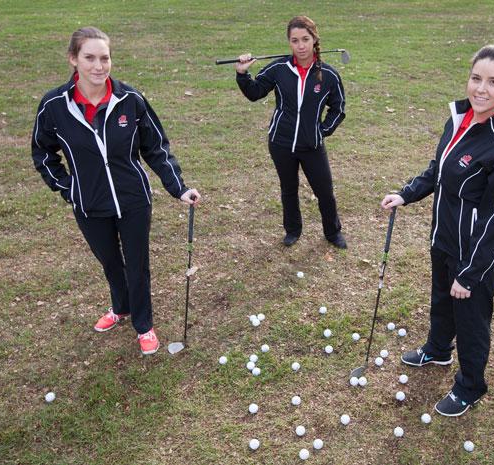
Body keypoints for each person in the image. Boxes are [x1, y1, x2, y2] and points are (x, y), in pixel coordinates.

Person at [381, 44, 494, 416]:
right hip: (444, 236)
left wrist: (470, 274)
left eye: (493, 82)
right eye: (476, 78)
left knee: (471, 322)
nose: (481, 89)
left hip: (476, 256)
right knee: (440, 300)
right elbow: (439, 168)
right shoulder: (459, 117)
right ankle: (436, 350)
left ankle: (470, 386)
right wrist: (406, 193)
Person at [31, 27, 201, 355]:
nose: (99, 66)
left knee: (136, 265)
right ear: (73, 60)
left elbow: (156, 148)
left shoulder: (130, 100)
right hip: (89, 204)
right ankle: (120, 307)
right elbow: (43, 152)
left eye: (104, 58)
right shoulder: (54, 106)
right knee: (110, 261)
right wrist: (68, 187)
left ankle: (143, 324)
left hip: (133, 199)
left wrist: (178, 187)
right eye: (90, 58)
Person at [234, 16, 347, 248]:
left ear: (314, 39)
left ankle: (332, 232)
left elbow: (339, 108)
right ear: (289, 43)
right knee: (289, 189)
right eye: (295, 40)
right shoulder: (279, 68)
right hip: (281, 142)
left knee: (324, 191)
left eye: (305, 39)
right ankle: (293, 230)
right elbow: (255, 93)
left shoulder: (328, 75)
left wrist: (322, 130)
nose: (301, 45)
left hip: (312, 145)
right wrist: (242, 74)